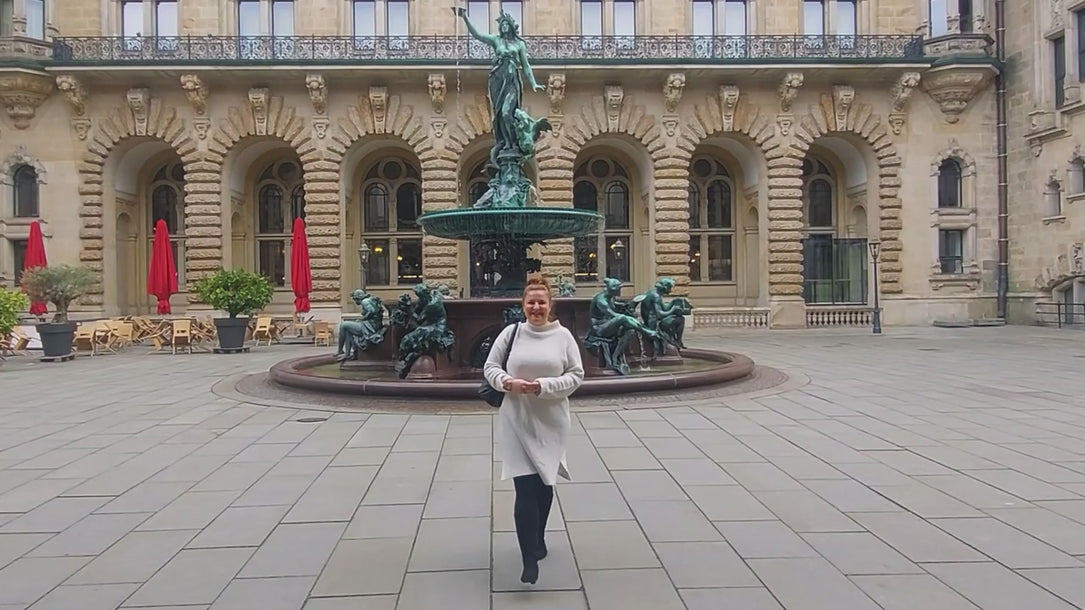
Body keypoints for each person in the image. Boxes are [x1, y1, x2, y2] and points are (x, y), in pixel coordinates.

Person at [483, 274, 585, 585]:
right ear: (523, 305)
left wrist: (544, 386)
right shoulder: (511, 333)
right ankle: (529, 558)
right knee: (525, 487)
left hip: (551, 420)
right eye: (531, 302)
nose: (536, 307)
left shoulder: (563, 336)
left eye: (541, 302)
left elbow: (576, 375)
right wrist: (506, 382)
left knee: (544, 484)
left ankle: (538, 536)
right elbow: (490, 367)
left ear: (550, 305)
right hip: (516, 419)